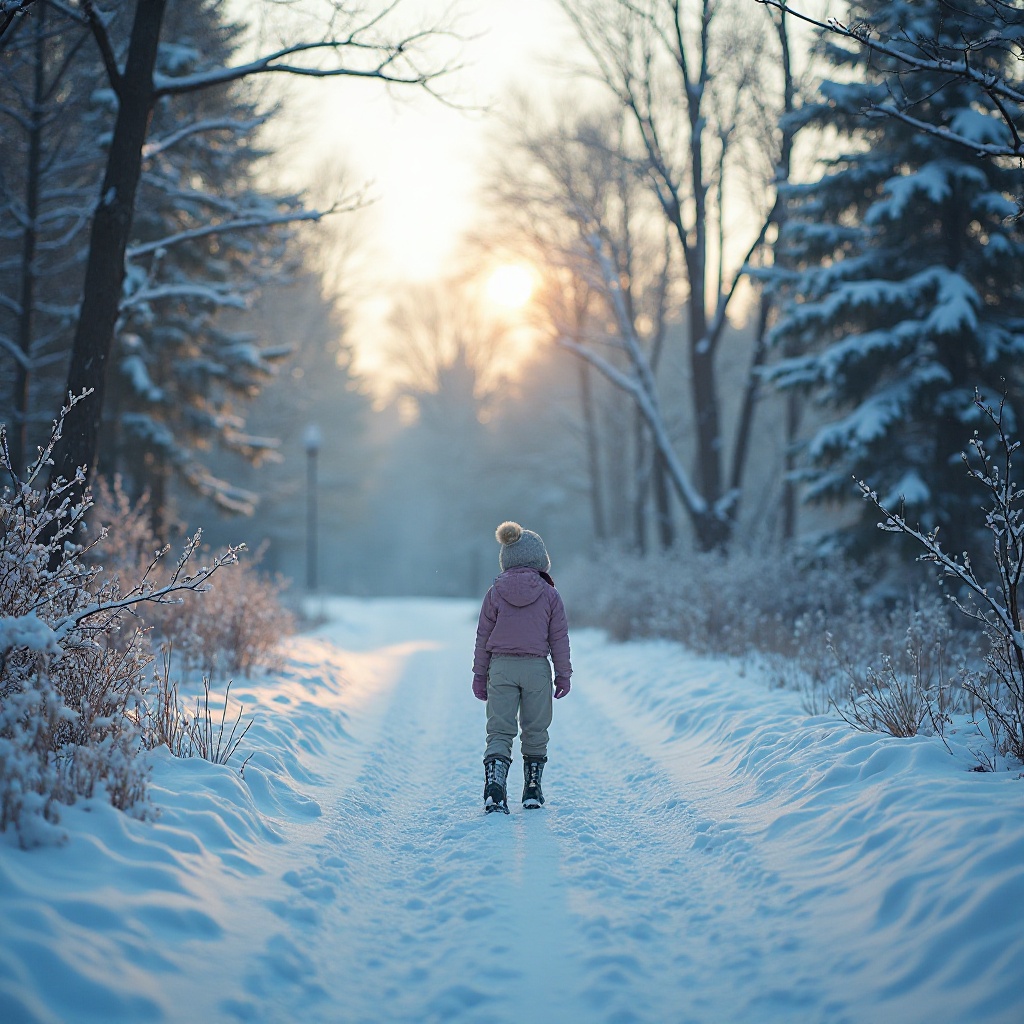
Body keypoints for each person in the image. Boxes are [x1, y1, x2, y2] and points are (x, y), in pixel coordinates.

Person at [472, 521, 572, 814]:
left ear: (507, 558)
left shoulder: (494, 593)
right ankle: (531, 788)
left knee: (500, 731)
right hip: (536, 670)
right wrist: (563, 673)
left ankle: (495, 787)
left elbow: (482, 637)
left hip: (501, 667)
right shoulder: (550, 595)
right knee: (535, 730)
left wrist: (480, 674)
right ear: (540, 560)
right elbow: (559, 638)